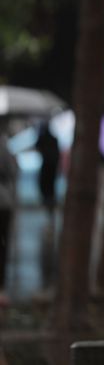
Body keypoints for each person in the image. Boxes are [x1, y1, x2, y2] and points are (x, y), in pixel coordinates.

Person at [0, 128, 18, 307]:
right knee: (3, 244)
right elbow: (13, 172)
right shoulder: (4, 145)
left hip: (3, 201)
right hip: (4, 201)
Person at [34, 121, 59, 216]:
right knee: (49, 190)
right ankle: (50, 212)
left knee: (47, 190)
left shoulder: (47, 138)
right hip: (51, 168)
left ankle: (50, 212)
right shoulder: (53, 139)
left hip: (48, 168)